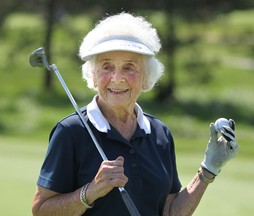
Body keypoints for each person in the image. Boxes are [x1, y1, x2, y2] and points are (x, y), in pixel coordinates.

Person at [32, 12, 239, 216]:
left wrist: (207, 170)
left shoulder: (160, 133)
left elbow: (169, 212)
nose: (117, 78)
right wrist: (91, 191)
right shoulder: (71, 131)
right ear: (93, 76)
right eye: (107, 66)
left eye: (129, 67)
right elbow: (41, 210)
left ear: (146, 77)